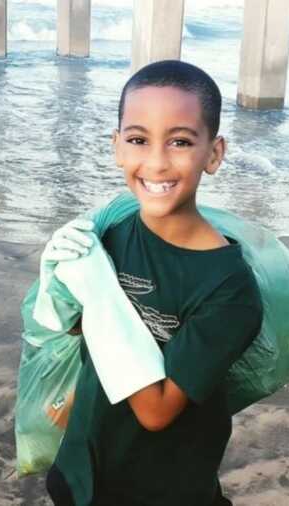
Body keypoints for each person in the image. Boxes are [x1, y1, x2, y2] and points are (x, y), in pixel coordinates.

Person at [43, 60, 263, 506]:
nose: (157, 162)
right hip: (83, 471)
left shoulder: (229, 288)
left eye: (180, 141)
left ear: (214, 154)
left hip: (166, 488)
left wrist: (99, 291)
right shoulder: (107, 235)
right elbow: (74, 330)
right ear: (117, 147)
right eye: (138, 140)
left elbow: (157, 410)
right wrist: (57, 278)